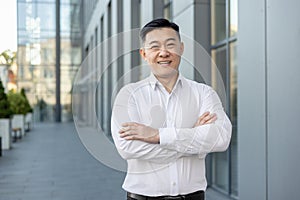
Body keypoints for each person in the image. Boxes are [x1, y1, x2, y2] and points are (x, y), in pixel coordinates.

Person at [111, 18, 232, 200]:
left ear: (181, 48)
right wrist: (195, 140)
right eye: (154, 47)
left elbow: (221, 138)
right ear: (144, 54)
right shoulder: (129, 95)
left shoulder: (203, 93)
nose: (163, 53)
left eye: (170, 45)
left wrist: (158, 136)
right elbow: (128, 147)